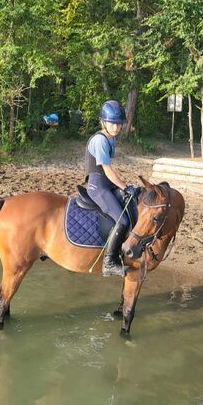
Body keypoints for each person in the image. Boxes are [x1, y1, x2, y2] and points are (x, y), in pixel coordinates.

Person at [85, 100, 138, 277]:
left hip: (105, 183)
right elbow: (106, 170)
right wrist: (124, 186)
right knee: (122, 221)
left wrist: (125, 188)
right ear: (103, 122)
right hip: (97, 186)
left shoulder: (110, 138)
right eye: (112, 123)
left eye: (119, 124)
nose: (116, 127)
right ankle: (109, 262)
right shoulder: (100, 140)